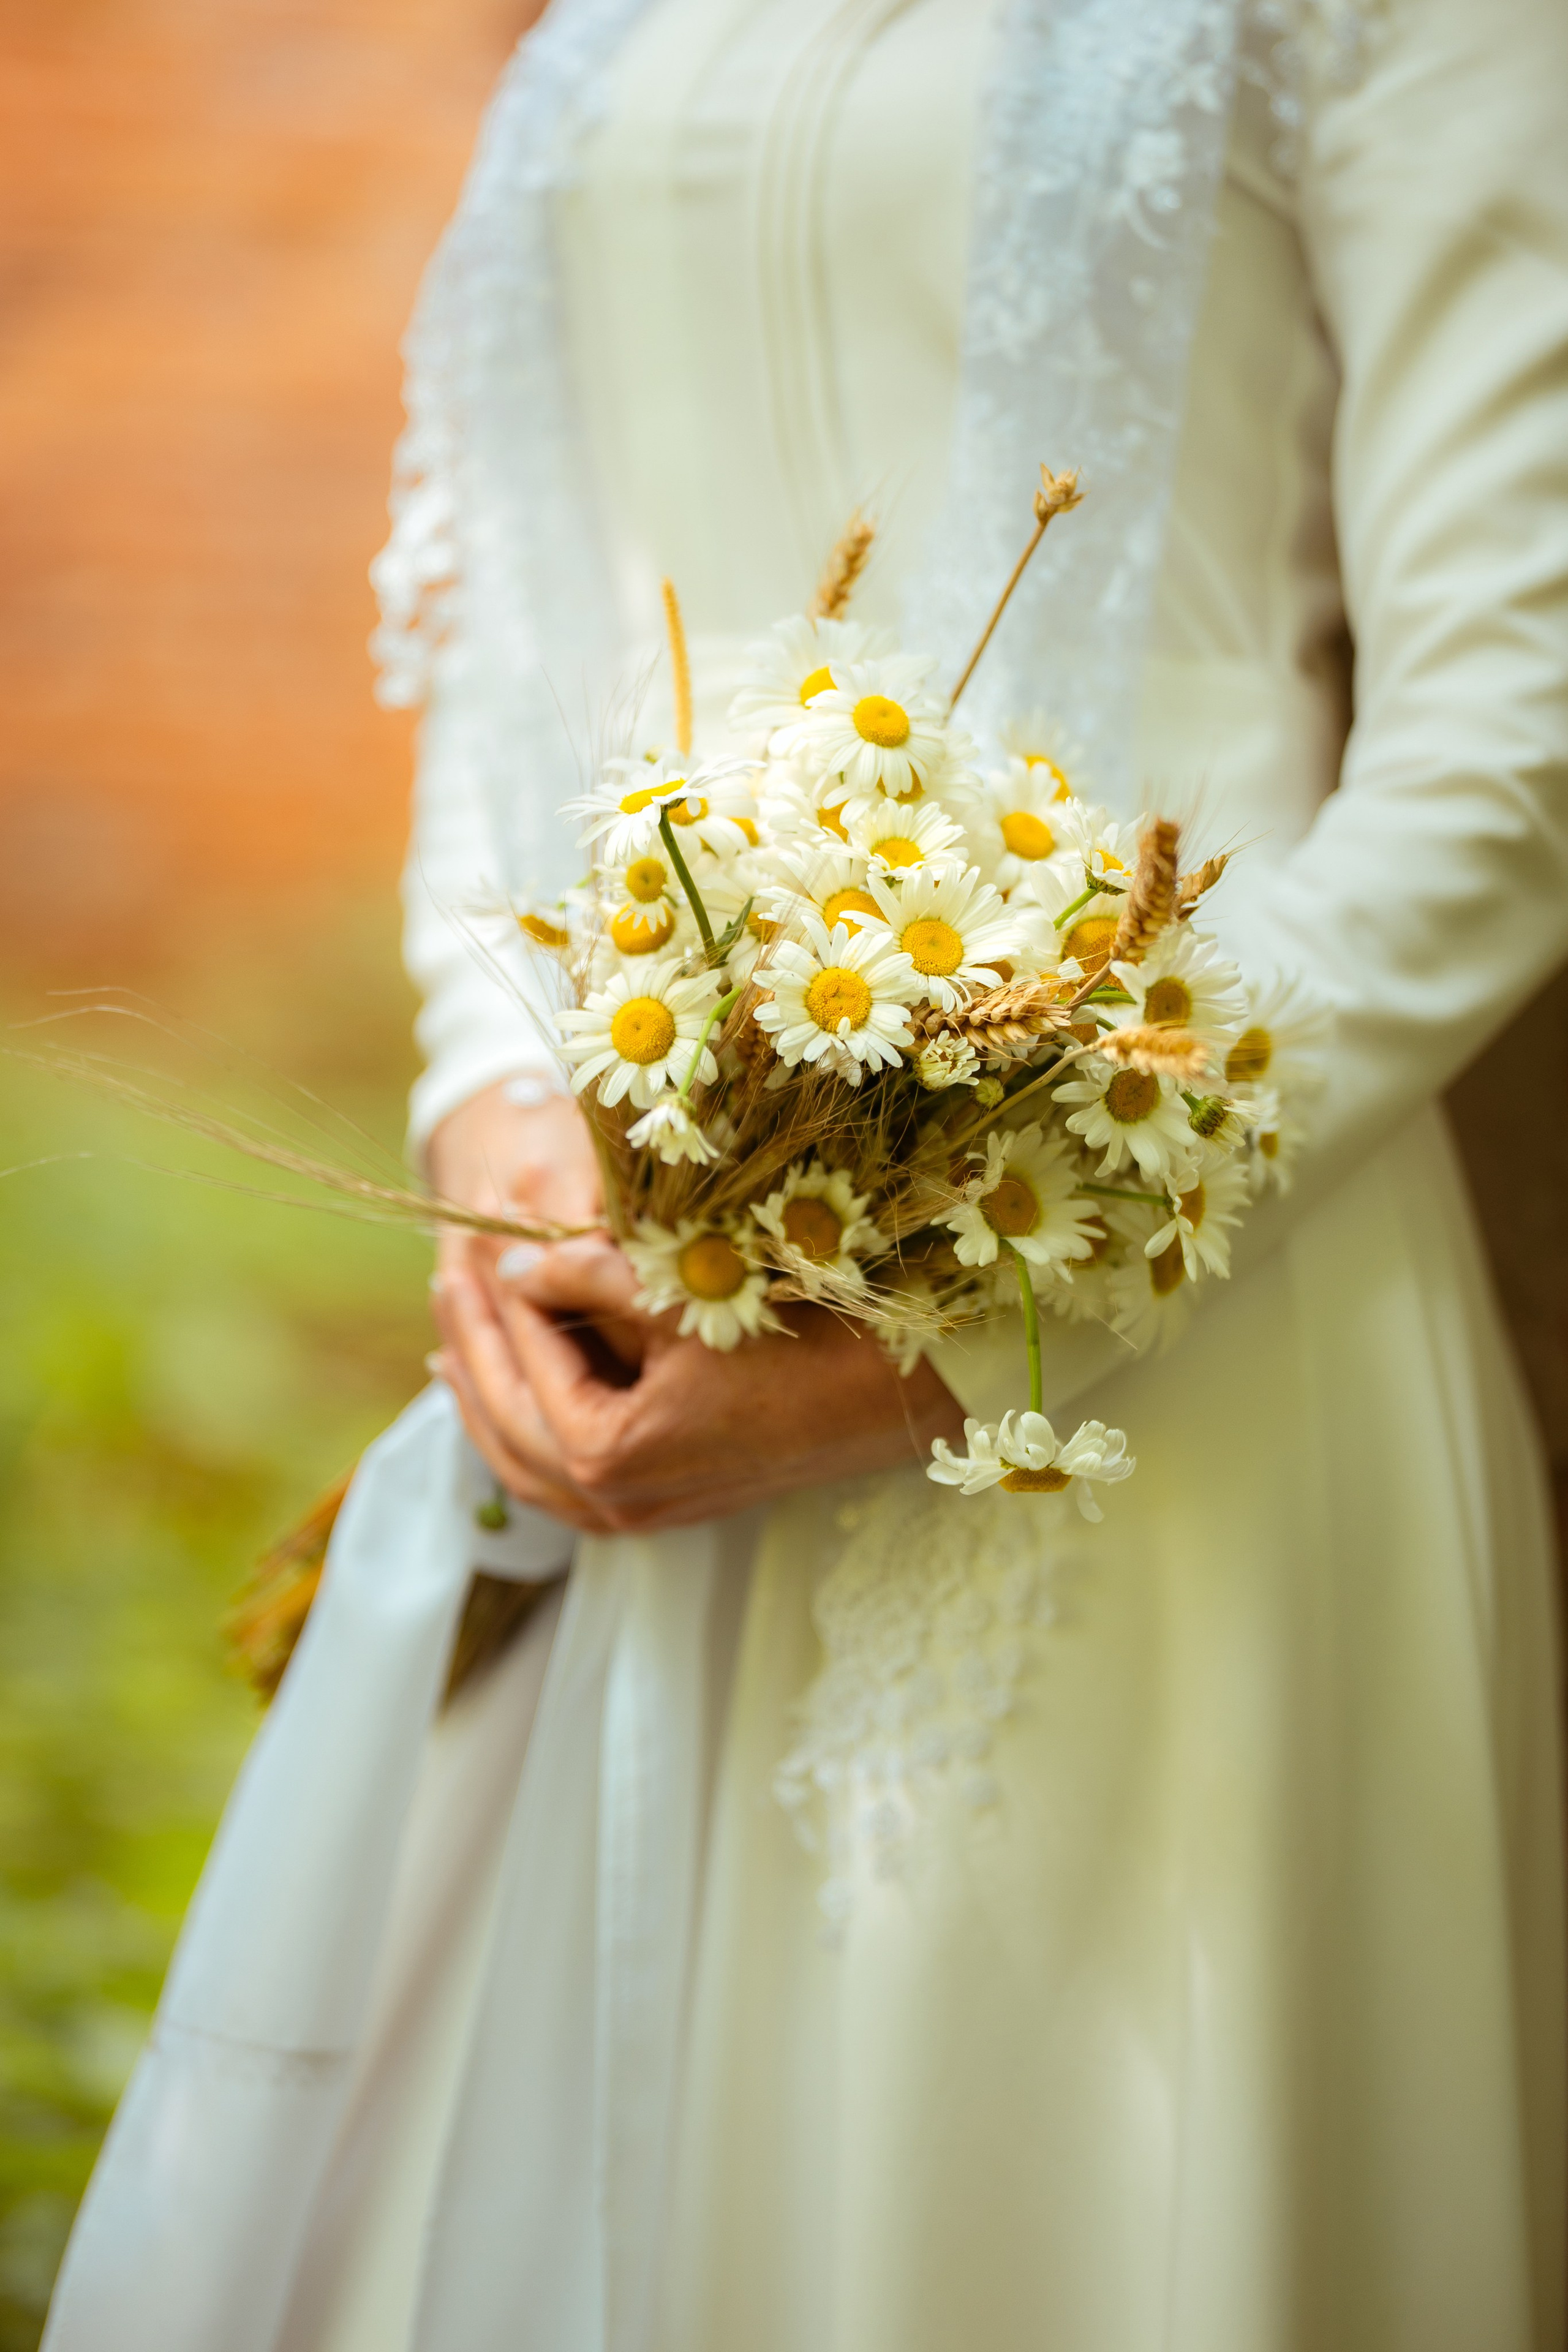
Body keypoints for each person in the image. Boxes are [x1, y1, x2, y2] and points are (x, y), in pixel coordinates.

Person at [45, 1, 1568, 2346]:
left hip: (1183, 1343)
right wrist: (509, 1126)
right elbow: (521, 649)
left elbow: (1513, 751)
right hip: (644, 1317)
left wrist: (955, 1320)